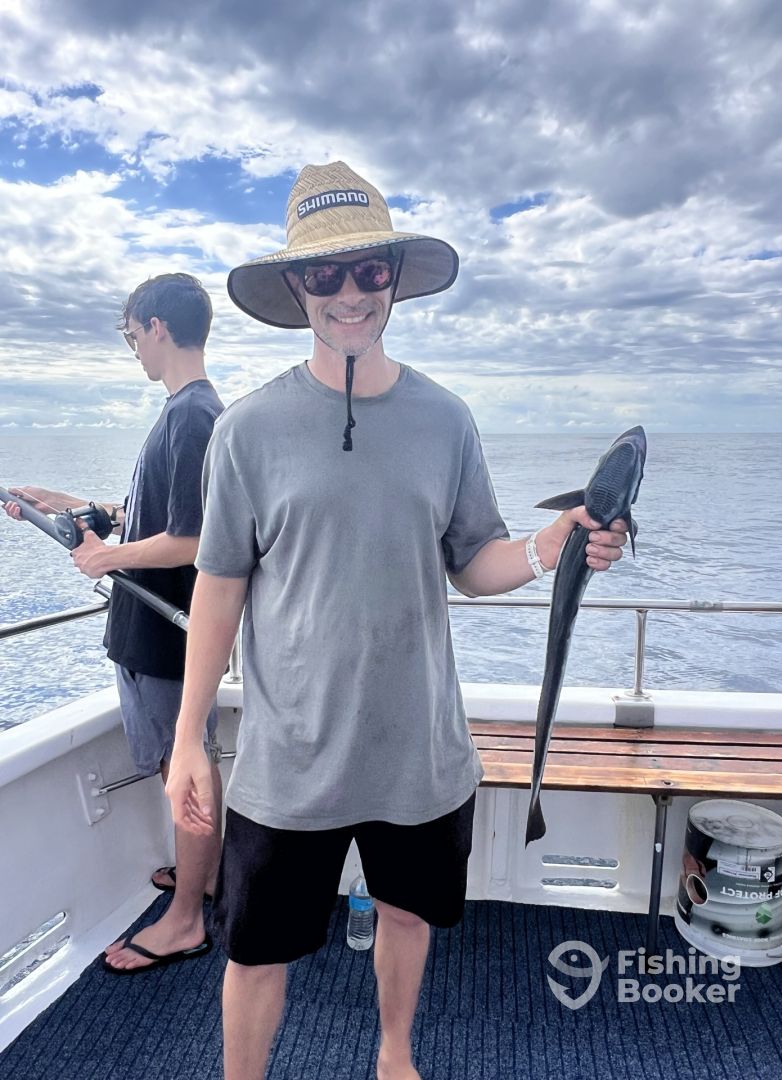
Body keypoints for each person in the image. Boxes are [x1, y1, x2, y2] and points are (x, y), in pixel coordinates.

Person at [165, 162, 629, 1080]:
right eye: (325, 273)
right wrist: (187, 739)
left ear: (395, 278)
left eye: (369, 269)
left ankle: (394, 1057)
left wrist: (552, 547)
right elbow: (217, 589)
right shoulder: (245, 431)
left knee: (408, 915)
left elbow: (476, 559)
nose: (349, 293)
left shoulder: (446, 420)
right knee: (254, 952)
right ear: (297, 286)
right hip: (289, 759)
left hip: (419, 750)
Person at [3, 272, 224, 974]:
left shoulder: (194, 416)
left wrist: (105, 558)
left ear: (157, 327)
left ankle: (187, 919)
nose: (133, 349)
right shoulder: (182, 413)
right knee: (177, 768)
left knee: (182, 771)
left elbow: (195, 540)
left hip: (165, 637)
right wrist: (60, 503)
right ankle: (202, 879)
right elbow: (146, 516)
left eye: (132, 336)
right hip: (152, 635)